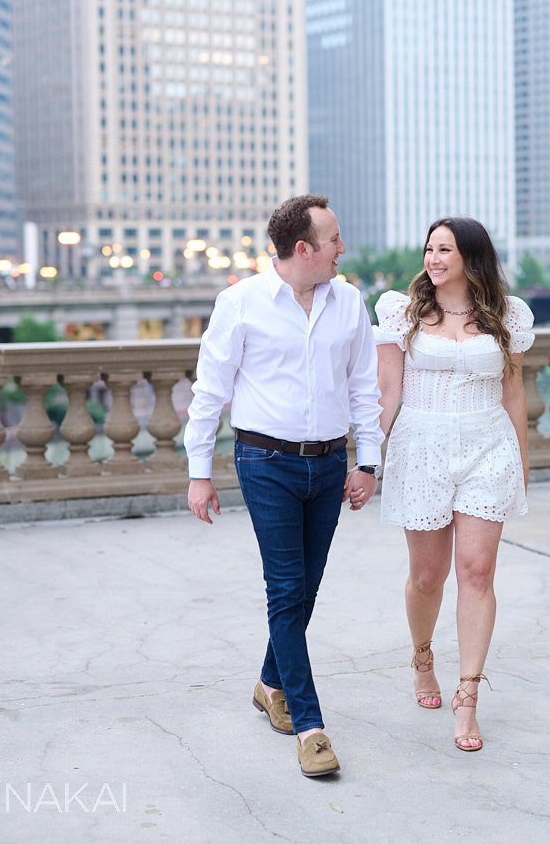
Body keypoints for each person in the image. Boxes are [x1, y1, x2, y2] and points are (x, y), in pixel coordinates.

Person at [185, 194, 383, 777]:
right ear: (305, 249)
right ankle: (310, 725)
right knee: (287, 588)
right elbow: (210, 392)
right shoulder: (240, 302)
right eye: (334, 239)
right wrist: (200, 473)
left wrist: (366, 462)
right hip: (264, 463)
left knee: (306, 590)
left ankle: (270, 682)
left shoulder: (349, 302)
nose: (342, 248)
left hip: (328, 466)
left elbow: (363, 390)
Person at [374, 217, 534, 752]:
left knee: (478, 571)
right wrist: (366, 459)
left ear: (471, 256)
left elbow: (513, 396)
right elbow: (387, 391)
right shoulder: (404, 313)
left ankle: (467, 698)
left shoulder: (506, 317)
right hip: (420, 447)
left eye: (445, 249)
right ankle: (423, 659)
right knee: (427, 576)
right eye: (429, 249)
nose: (434, 258)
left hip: (488, 447)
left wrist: (523, 465)